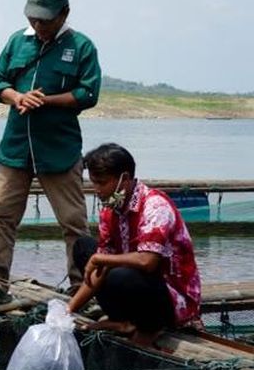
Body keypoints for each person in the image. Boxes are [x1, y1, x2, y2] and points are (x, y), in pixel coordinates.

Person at [0, 0, 101, 311]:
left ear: (65, 13)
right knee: (1, 216)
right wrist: (17, 97)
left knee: (73, 222)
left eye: (45, 19)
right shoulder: (17, 42)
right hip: (15, 148)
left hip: (59, 151)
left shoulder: (82, 47)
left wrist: (47, 101)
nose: (38, 25)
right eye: (34, 18)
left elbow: (88, 94)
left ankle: (81, 287)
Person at [67, 143, 201, 346]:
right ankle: (123, 321)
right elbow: (98, 268)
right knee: (83, 247)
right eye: (94, 183)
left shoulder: (155, 206)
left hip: (172, 298)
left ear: (125, 179)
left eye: (102, 183)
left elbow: (148, 261)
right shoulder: (110, 209)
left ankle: (150, 328)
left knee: (120, 273)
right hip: (138, 285)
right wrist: (68, 310)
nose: (97, 190)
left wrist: (101, 259)